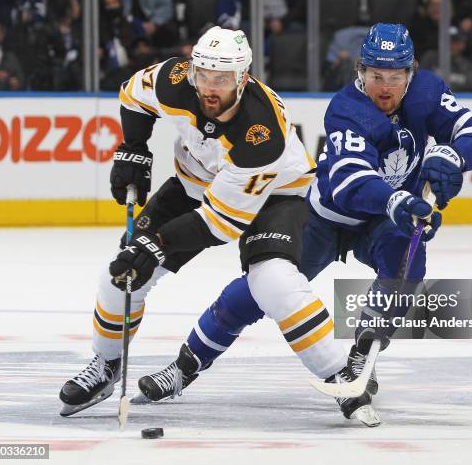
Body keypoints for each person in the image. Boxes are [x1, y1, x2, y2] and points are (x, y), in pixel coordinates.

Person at [140, 22, 472, 410]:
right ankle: (185, 365)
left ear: (410, 73)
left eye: (396, 76)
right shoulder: (347, 109)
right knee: (261, 287)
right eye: (376, 75)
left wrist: (453, 156)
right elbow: (350, 182)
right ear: (360, 71)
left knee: (408, 264)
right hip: (325, 218)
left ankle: (363, 352)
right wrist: (400, 202)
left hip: (386, 220)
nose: (385, 87)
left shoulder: (428, 92)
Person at [58, 26, 379, 426]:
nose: (209, 88)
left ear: (242, 78)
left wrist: (155, 243)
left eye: (222, 79)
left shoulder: (260, 133)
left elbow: (219, 223)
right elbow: (133, 94)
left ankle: (340, 374)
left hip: (275, 197)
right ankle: (106, 364)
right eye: (203, 75)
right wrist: (134, 148)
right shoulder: (175, 80)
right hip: (194, 183)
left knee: (273, 280)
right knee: (120, 273)